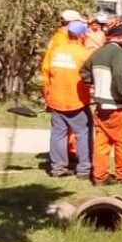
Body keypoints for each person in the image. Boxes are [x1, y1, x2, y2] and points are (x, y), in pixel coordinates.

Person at [81, 20, 122, 186]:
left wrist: (95, 85)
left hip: (101, 106)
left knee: (102, 142)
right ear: (121, 37)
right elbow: (119, 75)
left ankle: (100, 176)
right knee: (121, 142)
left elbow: (83, 71)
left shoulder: (98, 53)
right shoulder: (118, 53)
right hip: (117, 106)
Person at [44, 21, 92, 178]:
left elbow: (48, 73)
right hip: (76, 101)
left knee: (58, 134)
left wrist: (47, 95)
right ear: (81, 35)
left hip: (56, 99)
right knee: (82, 134)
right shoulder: (84, 54)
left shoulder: (57, 51)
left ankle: (58, 168)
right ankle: (84, 170)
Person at [41, 9, 83, 164]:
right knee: (66, 129)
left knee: (62, 130)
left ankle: (65, 157)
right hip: (65, 90)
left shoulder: (59, 37)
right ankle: (66, 158)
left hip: (57, 89)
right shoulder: (62, 41)